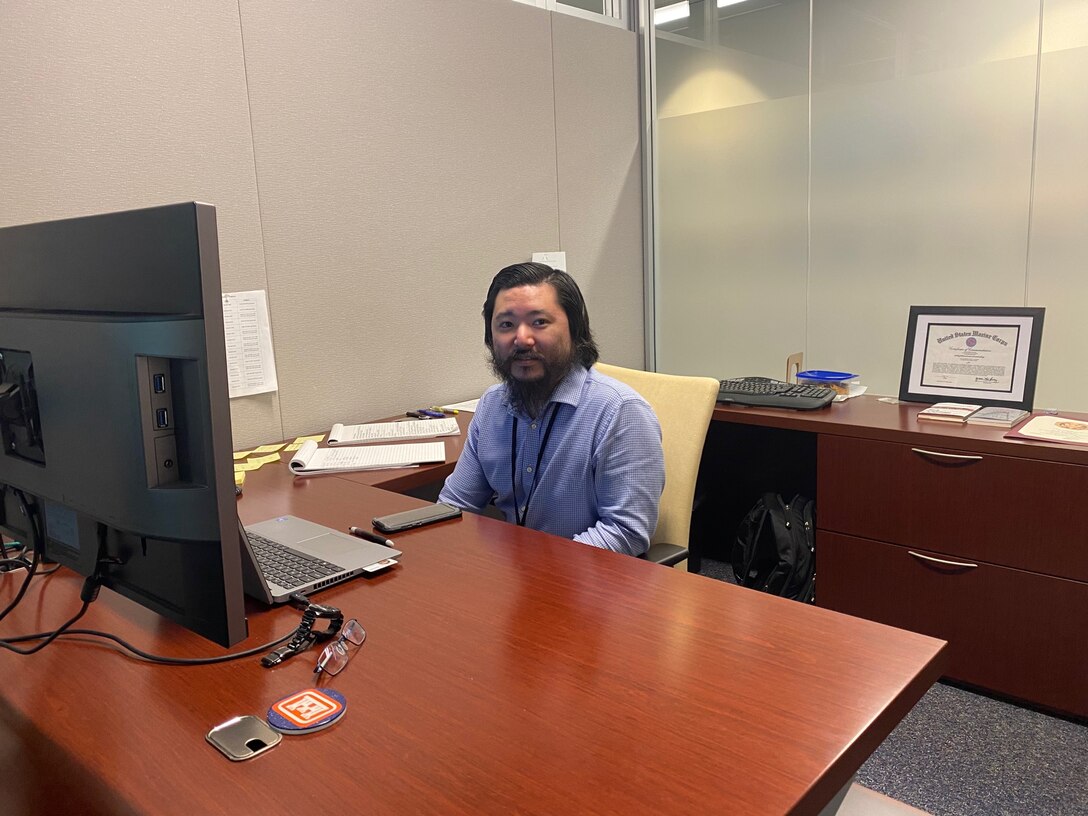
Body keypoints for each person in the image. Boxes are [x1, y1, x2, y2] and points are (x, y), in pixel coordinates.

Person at [438, 262, 665, 556]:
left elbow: (625, 532)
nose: (522, 339)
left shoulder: (621, 413)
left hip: (590, 584)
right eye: (506, 324)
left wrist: (541, 574)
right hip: (513, 581)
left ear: (575, 329)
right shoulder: (492, 405)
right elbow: (456, 505)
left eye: (539, 322)